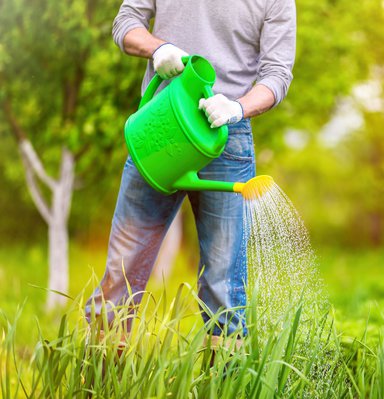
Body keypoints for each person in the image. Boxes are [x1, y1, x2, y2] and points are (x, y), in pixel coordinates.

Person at [85, 0, 296, 345]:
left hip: (226, 134)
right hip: (161, 127)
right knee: (118, 279)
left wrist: (237, 107)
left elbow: (276, 75)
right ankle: (97, 385)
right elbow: (126, 22)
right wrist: (159, 48)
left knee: (224, 291)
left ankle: (222, 387)